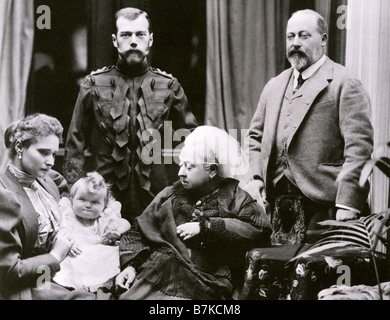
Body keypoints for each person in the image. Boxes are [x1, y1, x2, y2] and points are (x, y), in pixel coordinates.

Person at [246, 9, 374, 245]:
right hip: (277, 208)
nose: (295, 43)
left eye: (304, 36)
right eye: (290, 36)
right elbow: (255, 137)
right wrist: (256, 179)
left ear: (323, 40)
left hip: (325, 207)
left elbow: (359, 150)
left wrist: (348, 204)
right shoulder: (274, 86)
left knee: (318, 280)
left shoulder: (344, 83)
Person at [63, 7, 198, 223]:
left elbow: (193, 142)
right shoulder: (92, 84)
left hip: (157, 199)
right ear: (115, 41)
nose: (133, 41)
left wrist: (188, 193)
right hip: (102, 199)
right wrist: (74, 194)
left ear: (150, 39)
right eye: (126, 35)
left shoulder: (169, 86)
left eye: (140, 34)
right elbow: (74, 145)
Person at [115, 126, 272, 300]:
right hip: (156, 273)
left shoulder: (234, 196)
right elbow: (139, 230)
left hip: (203, 281)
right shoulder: (171, 194)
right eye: (181, 164)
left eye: (189, 167)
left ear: (212, 170)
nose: (180, 173)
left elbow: (259, 230)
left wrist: (206, 227)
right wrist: (130, 267)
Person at [0, 113, 106, 300]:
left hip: (57, 271)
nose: (50, 161)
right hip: (28, 283)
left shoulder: (49, 181)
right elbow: (9, 273)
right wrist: (56, 255)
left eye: (53, 153)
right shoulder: (4, 196)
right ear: (19, 147)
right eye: (43, 152)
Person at [53, 172, 131, 292]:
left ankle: (98, 284)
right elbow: (58, 232)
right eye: (82, 199)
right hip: (76, 253)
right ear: (72, 200)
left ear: (104, 206)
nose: (88, 205)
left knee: (109, 254)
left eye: (95, 202)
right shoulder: (68, 215)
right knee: (68, 263)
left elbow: (125, 223)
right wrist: (68, 244)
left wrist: (117, 232)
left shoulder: (104, 219)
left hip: (97, 257)